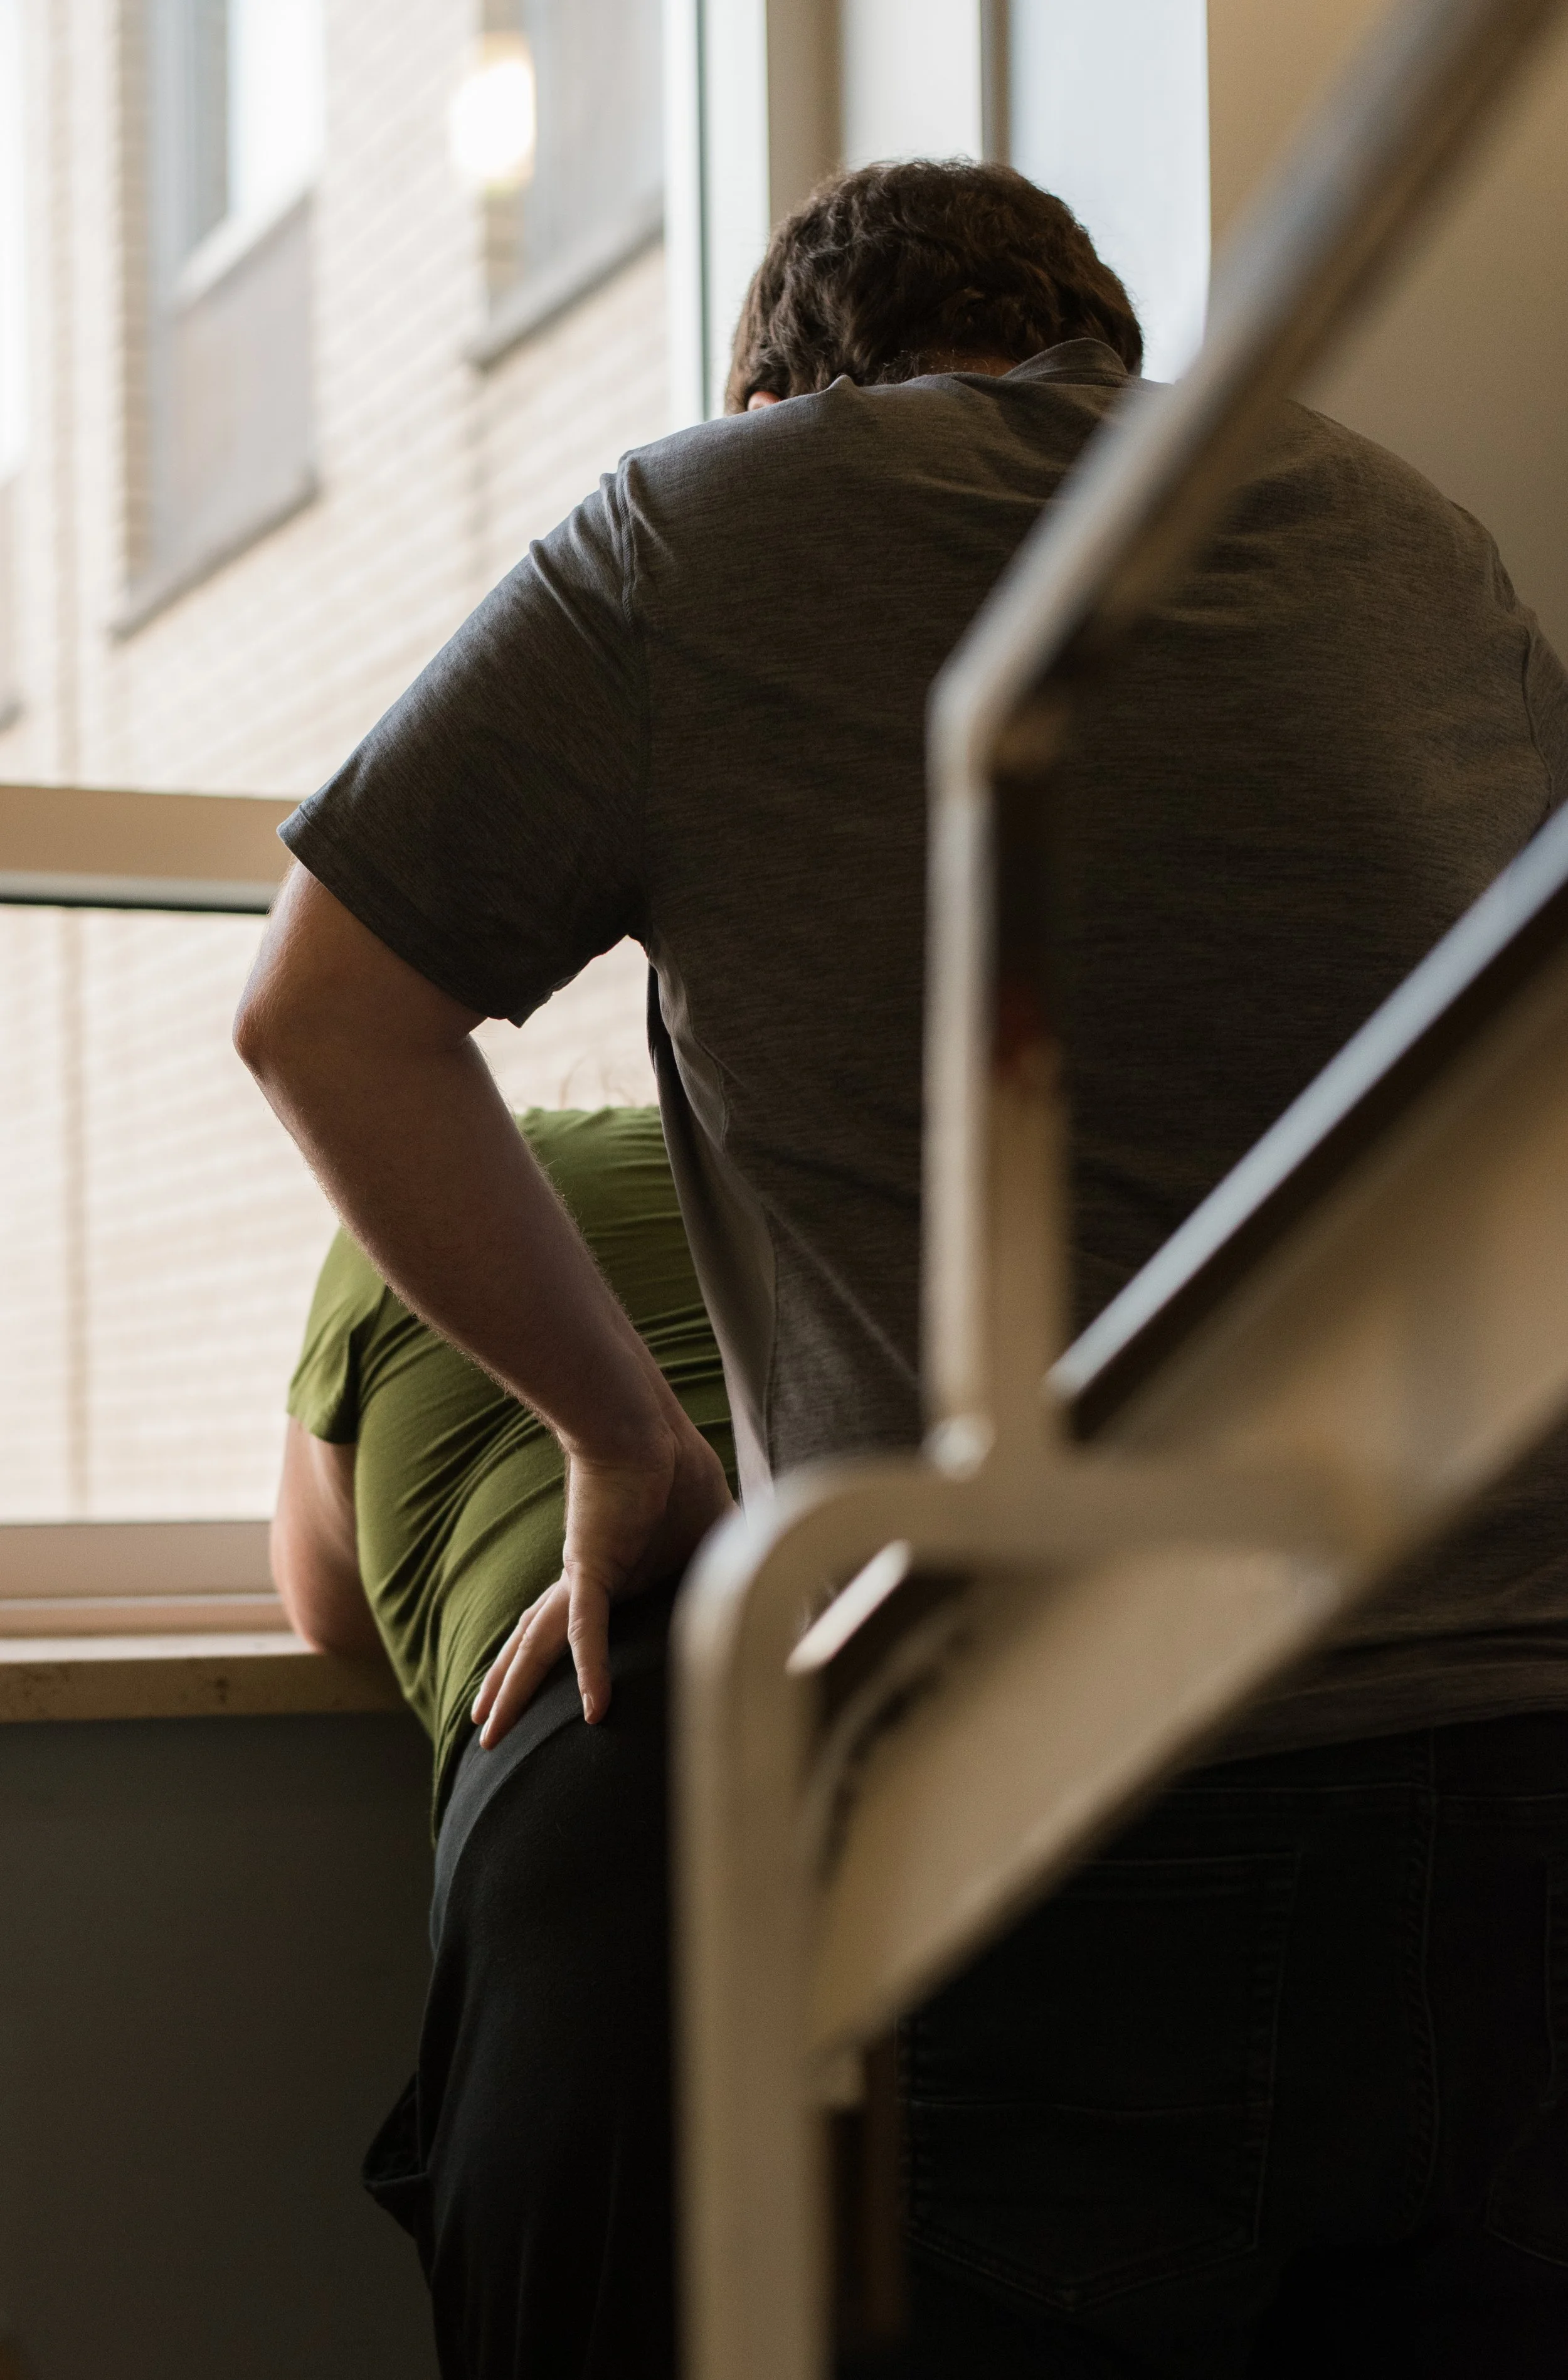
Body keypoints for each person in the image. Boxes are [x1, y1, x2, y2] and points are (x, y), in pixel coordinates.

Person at [236, 159, 1568, 2374]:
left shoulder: (703, 523)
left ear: (773, 386)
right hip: (1527, 1744)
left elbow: (322, 1014)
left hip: (1062, 1789)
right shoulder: (1400, 527)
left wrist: (630, 1444)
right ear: (1102, 361)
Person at [272, 1104, 735, 2369]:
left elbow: (325, 1602)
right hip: (958, 1709)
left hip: (600, 1752)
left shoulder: (433, 1191)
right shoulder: (817, 1181)